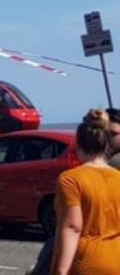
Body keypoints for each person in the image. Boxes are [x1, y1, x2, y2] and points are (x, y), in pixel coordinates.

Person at [50, 109, 120, 275]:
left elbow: (72, 227)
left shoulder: (71, 179)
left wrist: (60, 270)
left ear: (78, 144)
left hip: (86, 262)